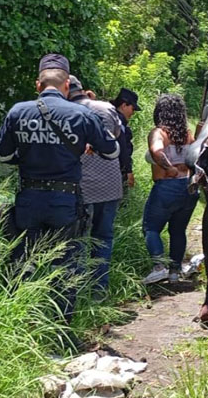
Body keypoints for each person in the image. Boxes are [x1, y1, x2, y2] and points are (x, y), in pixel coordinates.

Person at [0, 54, 120, 322]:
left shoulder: (18, 111)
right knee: (66, 265)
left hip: (28, 198)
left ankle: (19, 322)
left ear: (38, 85)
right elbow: (112, 152)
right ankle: (61, 328)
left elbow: (4, 156)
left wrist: (29, 156)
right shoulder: (82, 114)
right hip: (65, 201)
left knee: (22, 263)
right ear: (67, 86)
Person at [68, 76, 123, 293]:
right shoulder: (106, 108)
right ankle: (99, 289)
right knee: (103, 237)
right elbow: (116, 136)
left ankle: (80, 291)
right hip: (110, 184)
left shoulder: (65, 111)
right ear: (82, 90)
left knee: (79, 240)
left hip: (82, 186)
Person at [141, 94, 198, 284]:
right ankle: (175, 272)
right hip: (188, 187)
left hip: (166, 186)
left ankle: (159, 267)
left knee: (151, 228)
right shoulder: (187, 134)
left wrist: (168, 167)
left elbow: (156, 151)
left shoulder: (159, 133)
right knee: (178, 230)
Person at [111, 88, 140, 191]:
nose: (133, 113)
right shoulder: (118, 122)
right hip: (116, 170)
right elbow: (122, 146)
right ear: (124, 105)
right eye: (132, 109)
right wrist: (128, 170)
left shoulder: (112, 117)